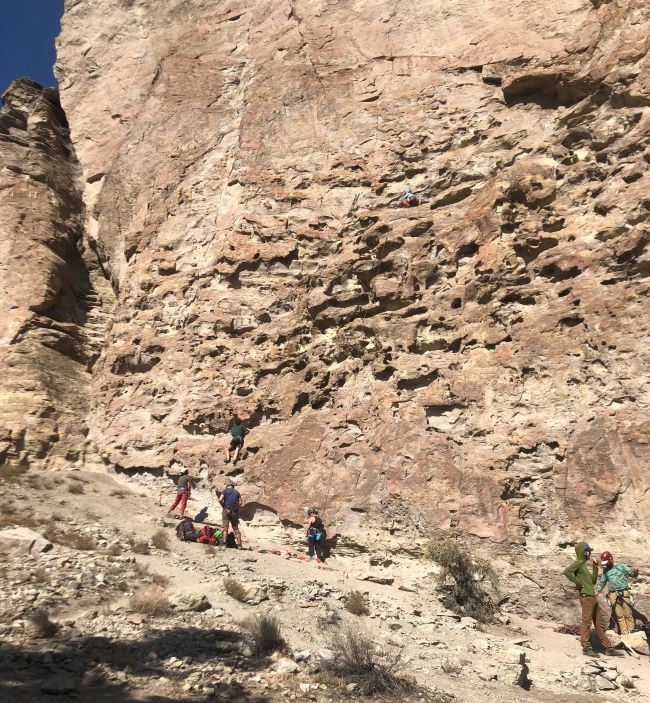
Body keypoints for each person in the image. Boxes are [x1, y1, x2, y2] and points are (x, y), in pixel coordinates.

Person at [563, 542, 612, 654]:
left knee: (599, 624)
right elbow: (566, 572)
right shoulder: (579, 562)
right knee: (586, 622)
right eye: (588, 551)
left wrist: (595, 568)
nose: (590, 553)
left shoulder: (583, 565)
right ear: (583, 552)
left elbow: (593, 581)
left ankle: (608, 647)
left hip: (593, 598)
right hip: (586, 598)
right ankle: (585, 647)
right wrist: (578, 583)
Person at [596, 551, 639, 635]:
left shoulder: (621, 567)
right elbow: (602, 582)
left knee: (628, 614)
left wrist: (635, 572)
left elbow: (632, 574)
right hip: (613, 595)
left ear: (611, 559)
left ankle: (632, 635)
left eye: (607, 562)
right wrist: (597, 591)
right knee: (620, 616)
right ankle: (625, 635)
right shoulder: (605, 571)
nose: (606, 564)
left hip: (623, 593)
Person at [219, 478, 242, 549]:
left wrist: (223, 506)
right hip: (234, 512)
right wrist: (235, 508)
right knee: (236, 528)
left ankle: (224, 544)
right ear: (233, 486)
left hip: (226, 511)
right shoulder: (237, 492)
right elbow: (240, 503)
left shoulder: (225, 491)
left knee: (225, 528)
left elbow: (220, 499)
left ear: (227, 486)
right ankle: (239, 545)